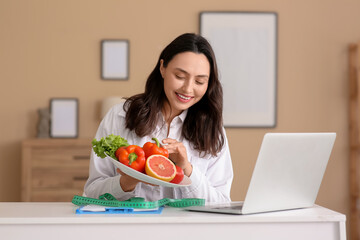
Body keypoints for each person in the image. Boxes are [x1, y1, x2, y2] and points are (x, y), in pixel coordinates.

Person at [84, 33, 233, 203]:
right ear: (162, 68)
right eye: (180, 76)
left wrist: (187, 169)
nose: (188, 89)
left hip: (186, 229)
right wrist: (127, 182)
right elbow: (92, 193)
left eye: (199, 82)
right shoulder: (120, 116)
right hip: (128, 228)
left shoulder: (213, 131)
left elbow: (221, 203)